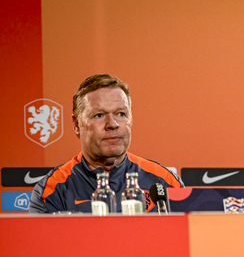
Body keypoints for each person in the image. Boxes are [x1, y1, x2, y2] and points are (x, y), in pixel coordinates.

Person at [29, 74, 184, 214]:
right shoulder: (52, 189)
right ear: (77, 124)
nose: (113, 124)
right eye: (99, 115)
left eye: (121, 114)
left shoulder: (166, 182)